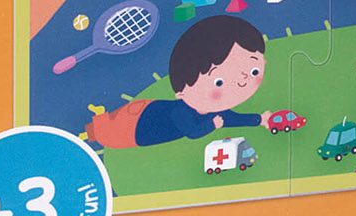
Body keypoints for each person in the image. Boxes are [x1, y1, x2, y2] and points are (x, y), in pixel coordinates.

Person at [86, 15, 273, 148]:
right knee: (105, 132)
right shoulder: (181, 112)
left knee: (108, 127)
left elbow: (233, 119)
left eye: (254, 71)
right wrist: (212, 125)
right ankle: (90, 129)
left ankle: (96, 123)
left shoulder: (215, 111)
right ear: (182, 93)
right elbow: (192, 132)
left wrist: (259, 120)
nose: (243, 81)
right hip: (137, 125)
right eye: (219, 82)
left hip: (145, 114)